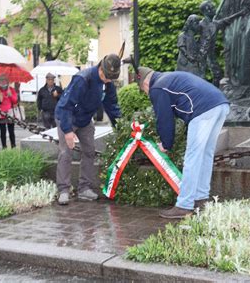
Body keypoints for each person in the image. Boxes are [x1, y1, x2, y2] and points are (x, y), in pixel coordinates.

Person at [137, 67, 230, 219]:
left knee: (193, 157)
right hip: (220, 104)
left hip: (203, 109)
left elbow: (165, 119)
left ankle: (184, 205)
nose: (147, 94)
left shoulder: (157, 88)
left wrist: (166, 144)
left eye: (144, 91)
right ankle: (201, 199)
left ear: (145, 84)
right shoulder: (168, 78)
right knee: (205, 155)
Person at [55, 54, 122, 205]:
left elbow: (111, 105)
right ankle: (63, 190)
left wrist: (120, 125)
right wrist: (67, 131)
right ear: (100, 68)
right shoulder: (83, 79)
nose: (108, 80)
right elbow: (66, 105)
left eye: (111, 78)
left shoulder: (108, 82)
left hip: (85, 120)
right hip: (68, 117)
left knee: (90, 151)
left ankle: (84, 188)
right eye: (106, 76)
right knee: (66, 152)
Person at [0, 74, 18, 149]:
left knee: (11, 131)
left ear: (7, 81)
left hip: (10, 113)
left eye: (4, 80)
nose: (3, 82)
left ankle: (13, 145)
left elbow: (15, 101)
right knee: (3, 132)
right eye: (1, 80)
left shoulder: (11, 89)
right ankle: (4, 146)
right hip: (1, 114)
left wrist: (10, 95)